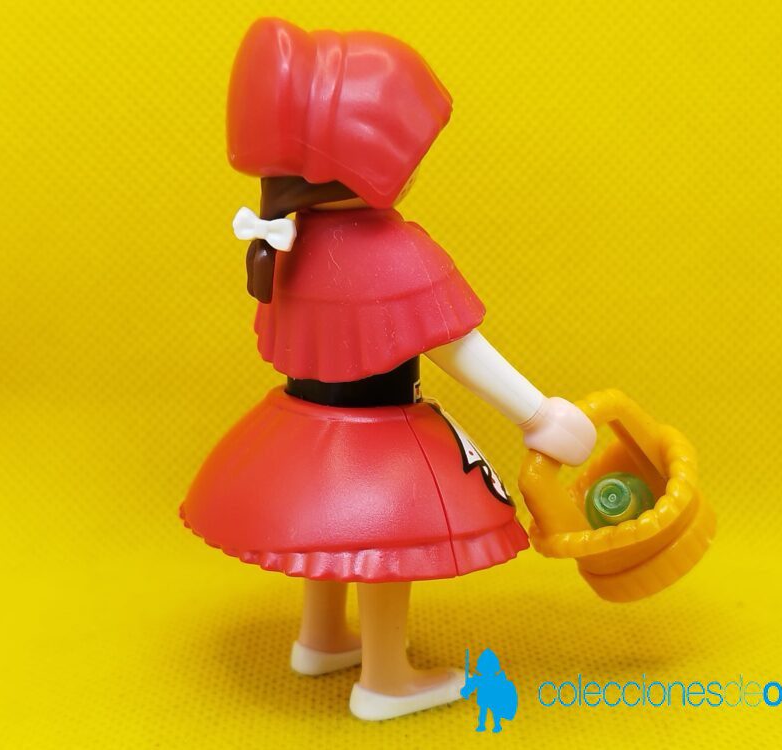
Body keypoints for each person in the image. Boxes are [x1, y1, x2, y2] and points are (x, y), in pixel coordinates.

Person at [180, 17, 597, 721]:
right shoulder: (390, 252)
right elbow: (457, 346)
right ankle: (386, 677)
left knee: (328, 529)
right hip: (377, 432)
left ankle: (321, 637)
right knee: (381, 545)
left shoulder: (290, 245)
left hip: (305, 425)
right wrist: (538, 414)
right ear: (364, 160)